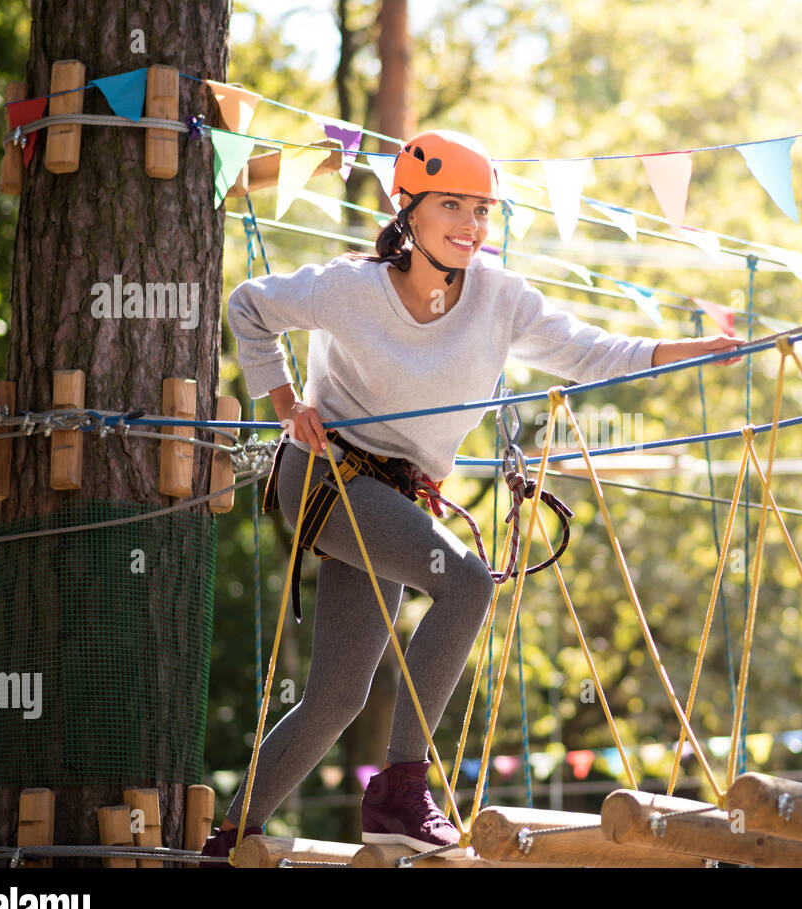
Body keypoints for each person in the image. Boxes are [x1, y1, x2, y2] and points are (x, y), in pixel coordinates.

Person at [200, 129, 744, 865]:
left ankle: (228, 836)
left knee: (336, 697)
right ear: (409, 210)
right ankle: (400, 787)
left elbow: (588, 351)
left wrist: (683, 352)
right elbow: (250, 305)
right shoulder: (353, 289)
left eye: (482, 209)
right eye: (451, 204)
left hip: (394, 497)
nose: (470, 224)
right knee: (465, 582)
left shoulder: (502, 299)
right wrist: (286, 400)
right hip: (325, 478)